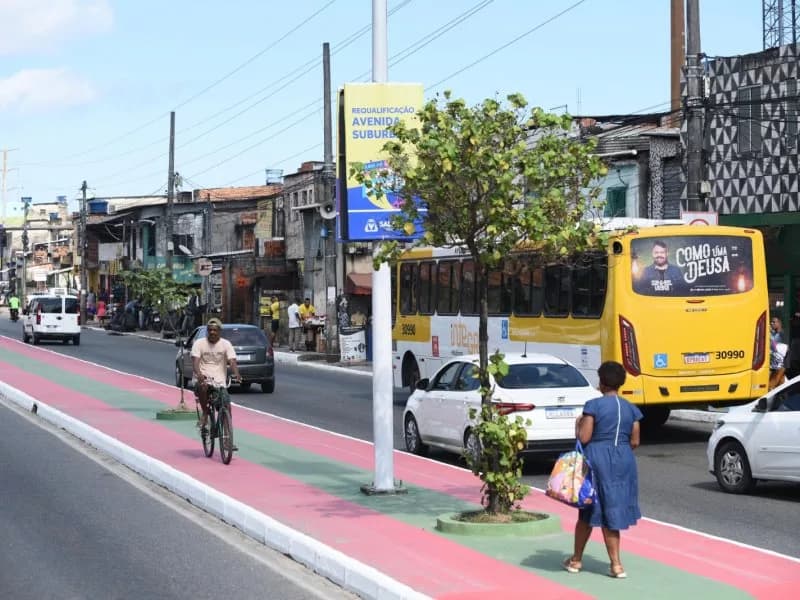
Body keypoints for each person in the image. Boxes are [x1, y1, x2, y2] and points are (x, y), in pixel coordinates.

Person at [563, 361, 643, 579]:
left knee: (588, 510)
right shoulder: (631, 409)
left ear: (601, 381)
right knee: (613, 511)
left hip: (597, 460)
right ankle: (616, 565)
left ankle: (577, 560)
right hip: (624, 461)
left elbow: (585, 437)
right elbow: (635, 440)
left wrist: (579, 424)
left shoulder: (593, 406)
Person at [191, 318, 242, 440]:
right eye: (210, 330)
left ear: (219, 331)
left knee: (226, 406)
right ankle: (205, 413)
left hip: (219, 381)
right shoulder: (199, 343)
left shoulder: (226, 344)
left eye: (215, 330)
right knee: (203, 387)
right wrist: (199, 374)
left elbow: (232, 361)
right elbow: (195, 361)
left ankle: (227, 438)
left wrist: (237, 374)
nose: (212, 332)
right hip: (203, 378)